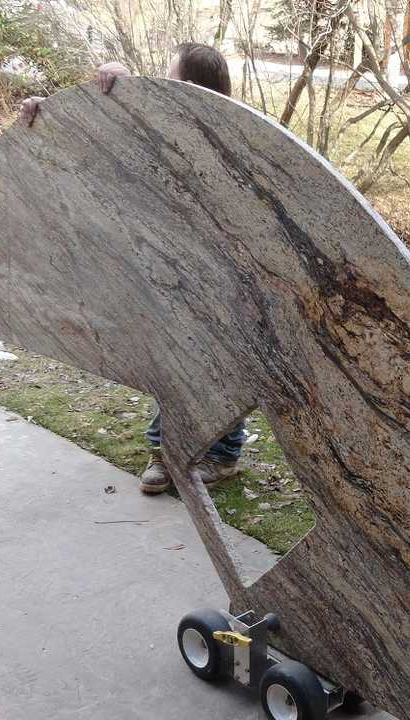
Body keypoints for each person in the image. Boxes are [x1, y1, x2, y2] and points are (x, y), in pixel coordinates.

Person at [18, 46, 247, 495]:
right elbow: (101, 149)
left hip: (222, 275)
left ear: (190, 86)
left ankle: (220, 455)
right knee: (170, 364)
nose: (157, 83)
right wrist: (48, 115)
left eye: (168, 76)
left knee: (222, 368)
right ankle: (166, 453)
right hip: (165, 267)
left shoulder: (228, 133)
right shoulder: (157, 124)